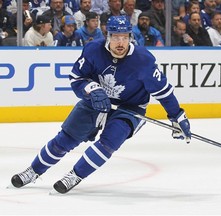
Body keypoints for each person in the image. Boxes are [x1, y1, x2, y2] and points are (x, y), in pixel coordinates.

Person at [11, 15, 192, 194]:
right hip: (96, 100)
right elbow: (77, 78)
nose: (120, 43)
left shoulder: (143, 60)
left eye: (124, 37)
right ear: (108, 36)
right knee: (66, 138)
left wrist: (177, 116)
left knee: (109, 142)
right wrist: (92, 89)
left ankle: (75, 175)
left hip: (130, 108)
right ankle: (33, 171)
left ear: (130, 37)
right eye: (115, 37)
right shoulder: (93, 50)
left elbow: (164, 93)